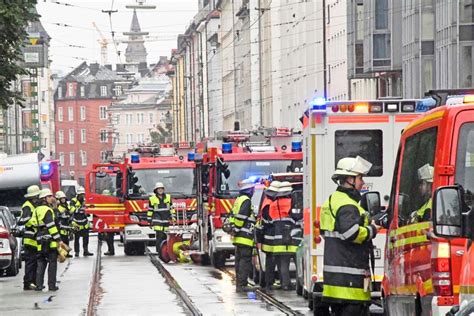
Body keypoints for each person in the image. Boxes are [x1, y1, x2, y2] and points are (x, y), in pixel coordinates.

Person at [320, 156, 380, 315]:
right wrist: (372, 230)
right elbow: (351, 233)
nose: (362, 182)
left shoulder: (332, 200)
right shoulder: (347, 204)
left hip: (336, 285)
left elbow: (326, 233)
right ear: (349, 179)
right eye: (360, 177)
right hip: (350, 286)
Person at [262, 181, 299, 291]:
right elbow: (296, 217)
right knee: (298, 261)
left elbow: (271, 220)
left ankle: (285, 284)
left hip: (278, 239)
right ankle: (298, 283)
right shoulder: (291, 202)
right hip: (292, 237)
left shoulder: (273, 205)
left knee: (283, 263)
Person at [229, 178, 256, 292]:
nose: (253, 191)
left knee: (239, 259)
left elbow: (232, 215)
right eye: (252, 189)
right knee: (245, 260)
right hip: (244, 235)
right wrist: (237, 228)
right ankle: (242, 284)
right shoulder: (246, 201)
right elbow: (241, 217)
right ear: (249, 190)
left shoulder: (238, 199)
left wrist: (234, 229)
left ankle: (239, 282)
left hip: (238, 236)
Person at [33, 189, 61, 291]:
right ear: (44, 199)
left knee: (41, 263)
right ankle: (52, 285)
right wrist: (59, 239)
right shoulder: (47, 210)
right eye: (49, 197)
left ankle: (39, 285)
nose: (51, 198)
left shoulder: (36, 210)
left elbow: (32, 223)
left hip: (40, 239)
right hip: (49, 240)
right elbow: (51, 226)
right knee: (52, 263)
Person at [18, 185, 41, 290]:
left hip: (34, 238)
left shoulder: (33, 205)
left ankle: (33, 282)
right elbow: (24, 220)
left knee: (34, 261)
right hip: (29, 238)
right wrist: (36, 223)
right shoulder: (27, 206)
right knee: (30, 262)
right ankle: (27, 283)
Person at [147, 182, 175, 252]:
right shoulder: (152, 199)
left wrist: (173, 217)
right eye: (158, 189)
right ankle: (159, 251)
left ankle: (164, 251)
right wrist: (149, 220)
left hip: (166, 219)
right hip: (157, 220)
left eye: (161, 189)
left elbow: (171, 208)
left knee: (165, 237)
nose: (160, 190)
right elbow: (150, 210)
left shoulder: (168, 197)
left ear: (163, 189)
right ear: (156, 190)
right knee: (159, 235)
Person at [70, 187, 93, 257]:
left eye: (83, 194)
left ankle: (85, 251)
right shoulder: (73, 201)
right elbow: (71, 210)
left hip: (84, 223)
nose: (82, 196)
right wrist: (81, 209)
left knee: (86, 238)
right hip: (77, 223)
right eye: (81, 195)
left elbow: (88, 210)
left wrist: (87, 211)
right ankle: (77, 252)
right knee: (76, 239)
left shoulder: (86, 200)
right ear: (78, 194)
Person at [55, 191, 72, 257]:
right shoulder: (57, 207)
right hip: (61, 226)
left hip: (66, 225)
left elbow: (69, 214)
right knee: (62, 240)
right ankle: (61, 254)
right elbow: (57, 216)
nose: (63, 200)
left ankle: (67, 253)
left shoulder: (66, 205)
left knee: (66, 240)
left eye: (64, 198)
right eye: (61, 199)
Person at [101, 189, 115, 256]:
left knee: (109, 238)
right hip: (108, 222)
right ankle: (110, 250)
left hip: (109, 222)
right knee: (108, 238)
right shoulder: (109, 202)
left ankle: (111, 250)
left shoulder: (107, 202)